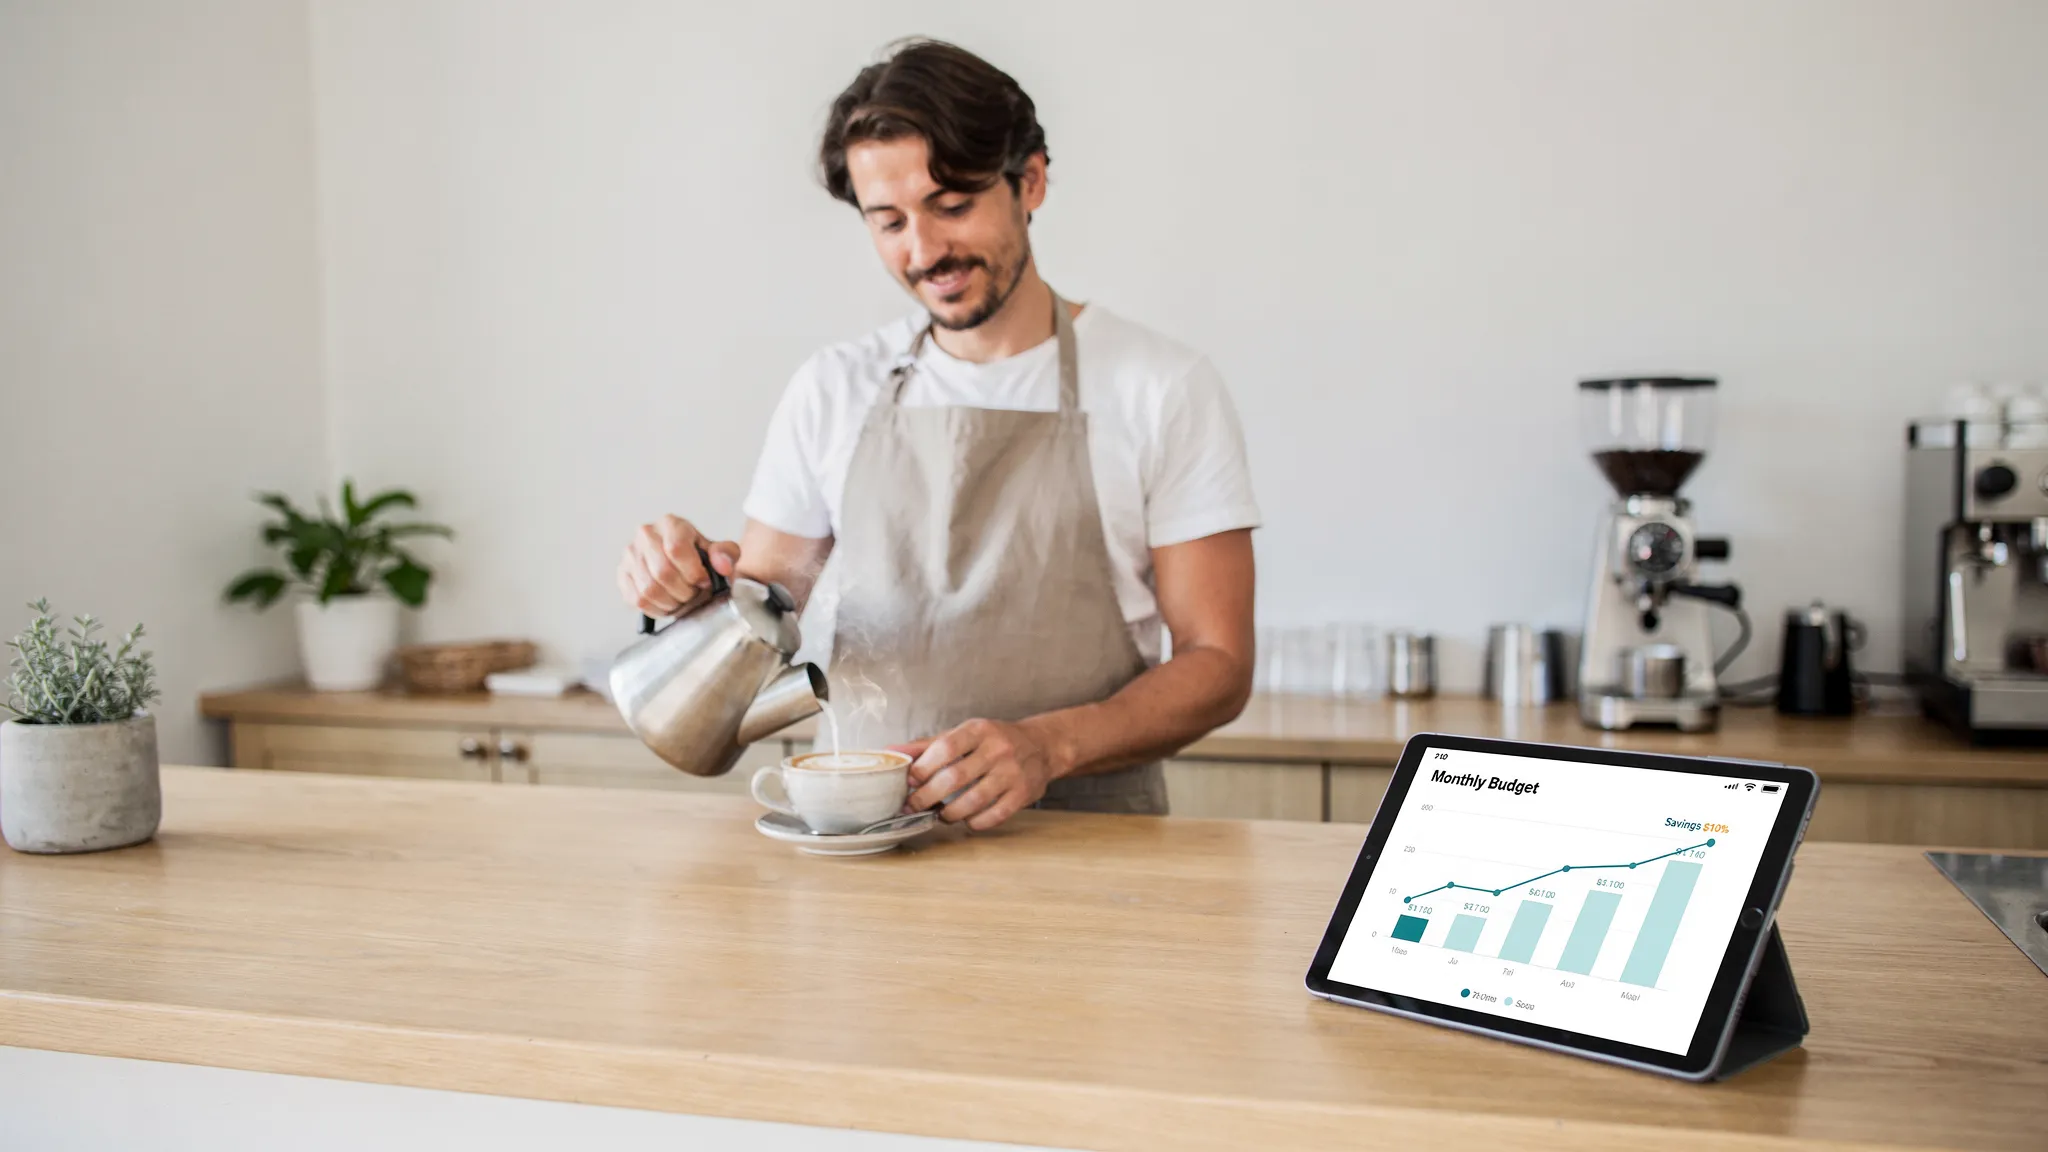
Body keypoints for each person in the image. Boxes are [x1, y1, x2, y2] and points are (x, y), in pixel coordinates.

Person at [618, 39, 1260, 829]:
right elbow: (768, 597)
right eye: (889, 222)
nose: (924, 253)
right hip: (867, 844)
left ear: (1030, 181)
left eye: (951, 207)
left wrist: (1049, 745)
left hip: (1091, 843)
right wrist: (692, 578)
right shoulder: (834, 387)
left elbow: (1219, 663)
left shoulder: (1161, 386)